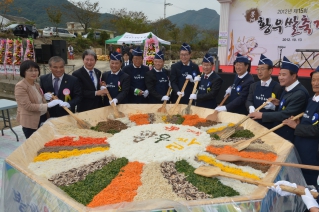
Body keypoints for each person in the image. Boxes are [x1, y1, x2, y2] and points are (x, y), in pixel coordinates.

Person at [249, 56, 309, 142]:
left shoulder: (299, 93)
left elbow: (286, 114)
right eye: (279, 74)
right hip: (280, 130)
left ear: (294, 76)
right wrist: (279, 103)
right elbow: (286, 105)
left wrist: (262, 115)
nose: (280, 78)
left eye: (284, 75)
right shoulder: (287, 87)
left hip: (289, 135)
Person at [281, 67, 319, 186]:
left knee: (310, 183)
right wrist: (298, 122)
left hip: (313, 152)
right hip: (300, 146)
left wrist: (296, 127)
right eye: (313, 80)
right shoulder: (311, 99)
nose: (316, 83)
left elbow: (316, 130)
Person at [15, 60, 63, 138]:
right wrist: (48, 105)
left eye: (36, 70)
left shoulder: (36, 85)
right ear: (24, 72)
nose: (34, 73)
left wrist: (46, 98)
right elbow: (28, 106)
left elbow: (38, 100)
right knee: (34, 144)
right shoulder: (20, 86)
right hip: (31, 121)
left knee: (45, 141)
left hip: (43, 117)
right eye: (30, 71)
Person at [246, 54, 283, 128]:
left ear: (270, 71)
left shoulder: (278, 87)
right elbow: (248, 100)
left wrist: (274, 107)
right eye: (258, 69)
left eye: (262, 69)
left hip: (269, 124)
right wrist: (250, 107)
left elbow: (282, 108)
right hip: (253, 122)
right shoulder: (253, 86)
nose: (259, 72)